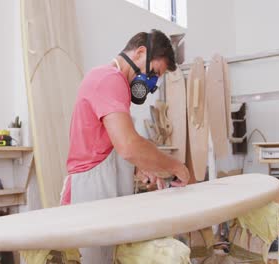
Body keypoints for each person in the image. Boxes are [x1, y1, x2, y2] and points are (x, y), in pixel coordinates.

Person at [61, 29, 191, 264]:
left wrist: (137, 167)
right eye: (153, 73)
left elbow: (106, 145)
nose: (151, 84)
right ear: (140, 52)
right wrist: (175, 166)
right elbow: (128, 145)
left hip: (100, 187)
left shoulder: (112, 82)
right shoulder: (110, 79)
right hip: (92, 193)